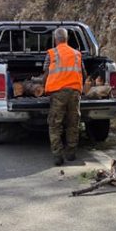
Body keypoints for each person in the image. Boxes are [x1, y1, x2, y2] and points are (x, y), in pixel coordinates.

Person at [43, 27, 85, 165]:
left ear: (55, 40)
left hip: (58, 93)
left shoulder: (52, 53)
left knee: (55, 124)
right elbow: (83, 73)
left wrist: (43, 88)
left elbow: (46, 72)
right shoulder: (77, 54)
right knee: (73, 123)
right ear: (67, 39)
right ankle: (71, 153)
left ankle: (58, 155)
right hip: (74, 92)